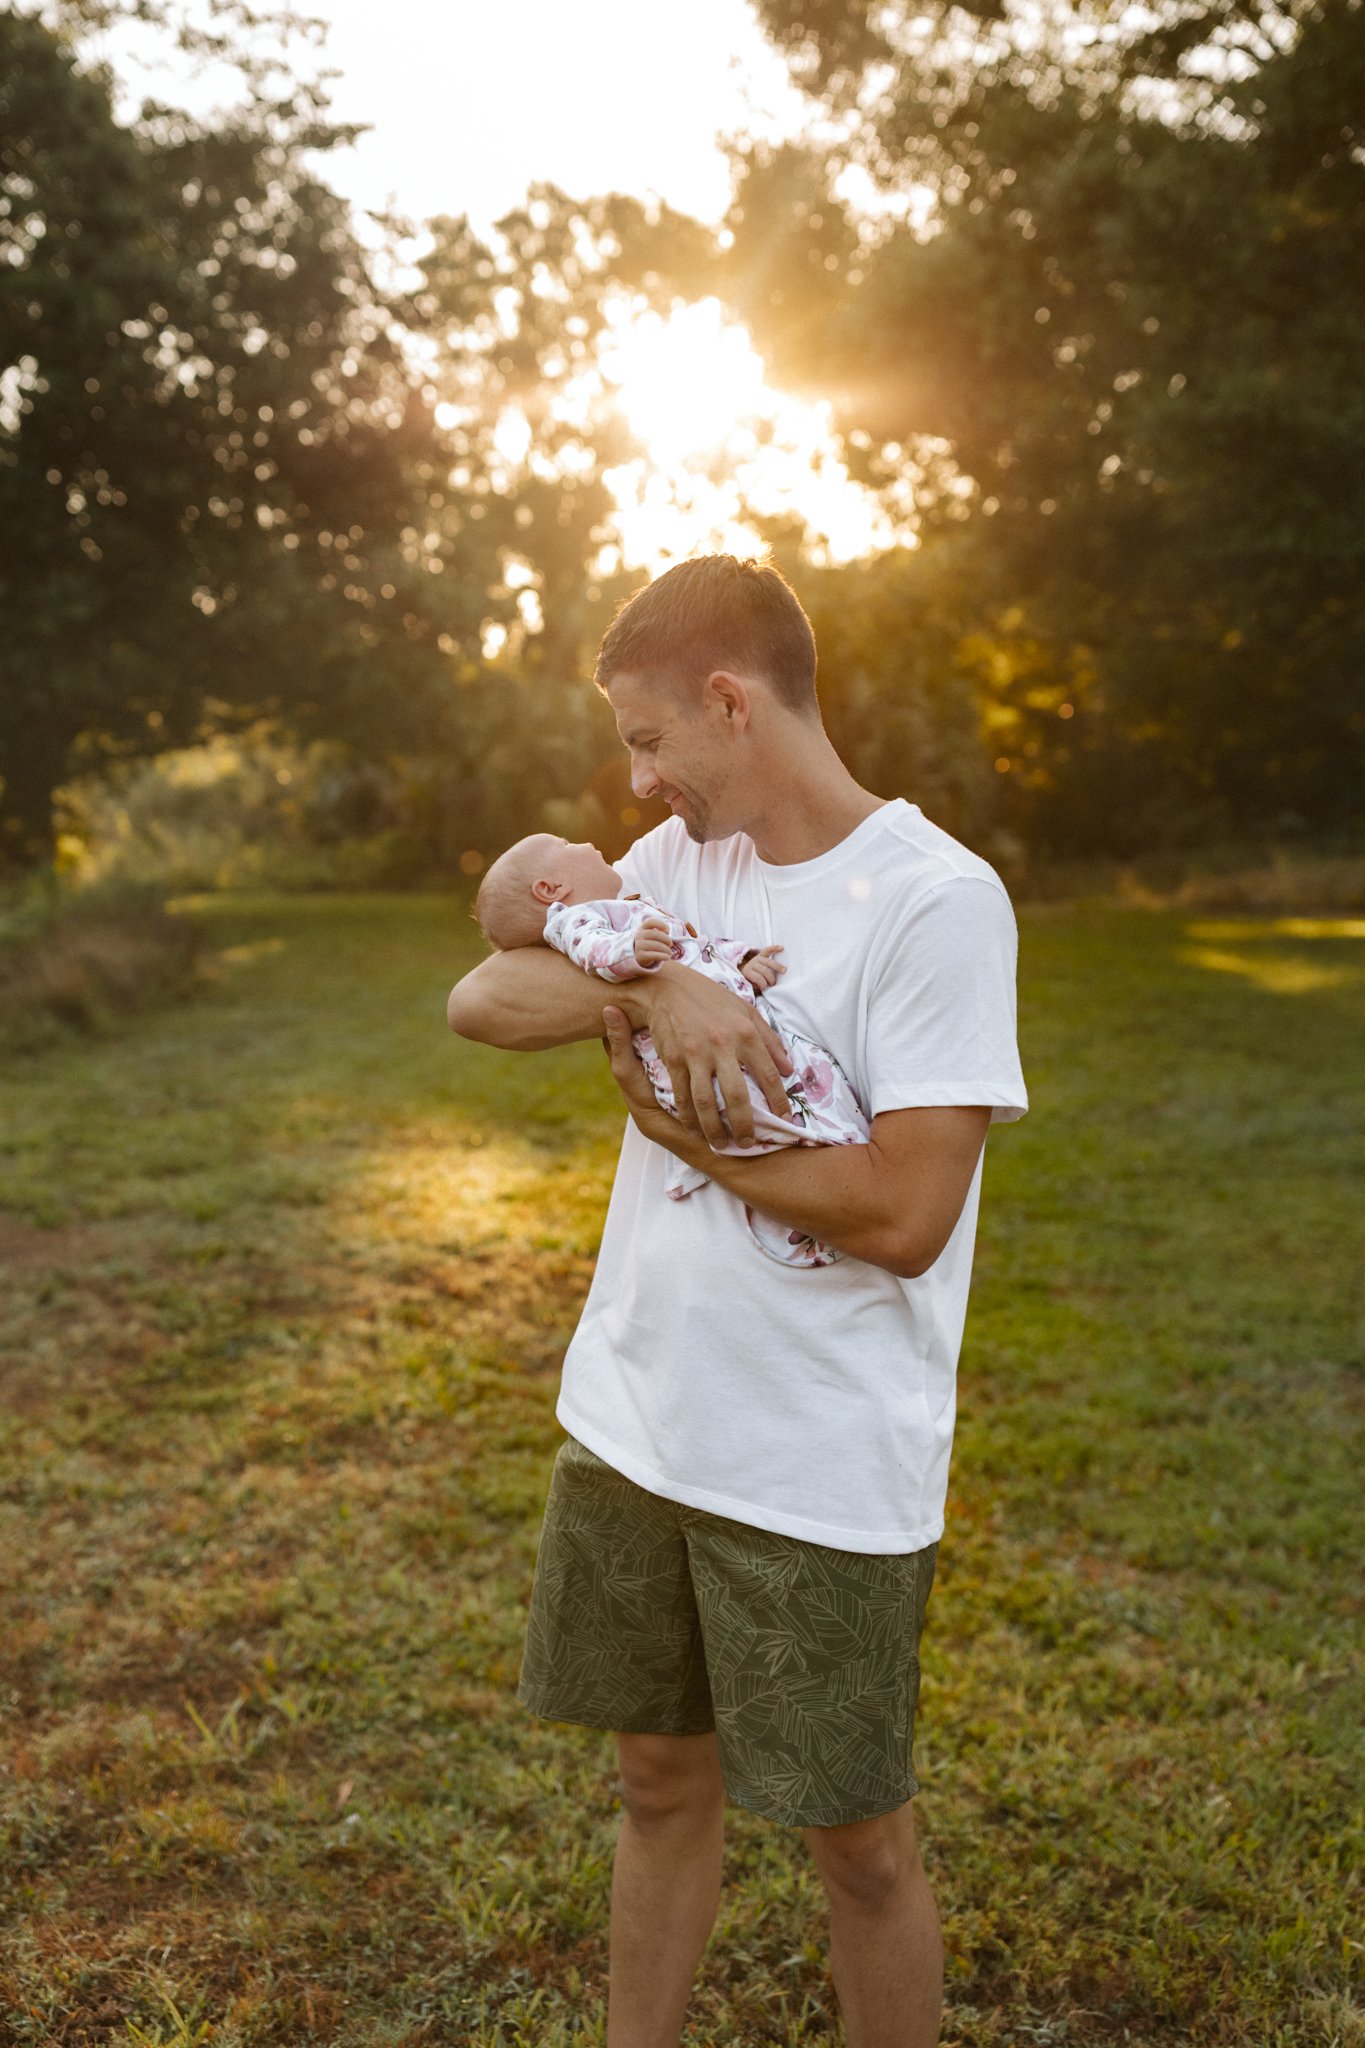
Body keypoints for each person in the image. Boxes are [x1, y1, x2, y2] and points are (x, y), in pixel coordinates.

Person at [446, 553, 1028, 2048]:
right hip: (640, 1419)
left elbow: (904, 1213)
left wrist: (681, 1126)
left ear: (730, 702)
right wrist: (652, 992)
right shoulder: (675, 874)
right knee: (654, 1783)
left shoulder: (935, 901)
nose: (636, 782)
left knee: (861, 1848)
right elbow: (485, 999)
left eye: (650, 740)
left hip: (817, 1461)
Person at [471, 828, 871, 1267]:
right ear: (550, 889)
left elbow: (694, 945)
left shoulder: (630, 906)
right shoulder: (573, 921)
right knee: (773, 1115)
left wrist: (742, 959)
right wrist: (634, 955)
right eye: (567, 847)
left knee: (795, 1100)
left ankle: (822, 1195)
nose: (586, 843)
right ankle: (815, 1207)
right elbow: (593, 952)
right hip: (702, 1063)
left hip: (731, 1042)